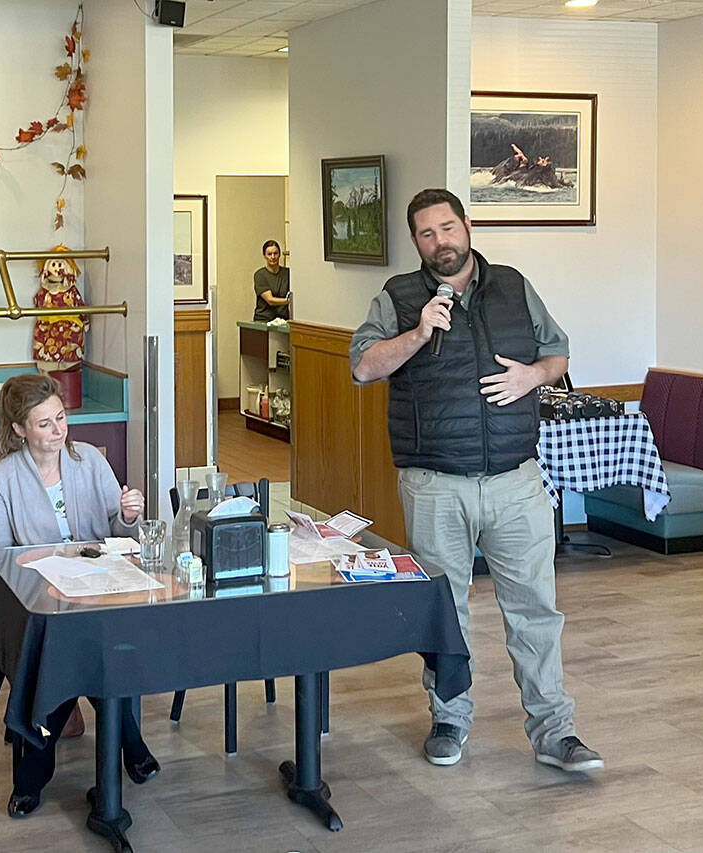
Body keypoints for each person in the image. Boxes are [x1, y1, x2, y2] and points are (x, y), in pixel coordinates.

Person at [349, 188, 603, 773]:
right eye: (426, 234)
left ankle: (555, 732)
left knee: (536, 609)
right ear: (416, 242)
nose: (441, 242)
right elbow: (364, 367)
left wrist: (533, 377)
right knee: (446, 609)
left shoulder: (512, 285)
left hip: (517, 481)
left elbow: (557, 352)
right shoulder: (399, 296)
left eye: (447, 228)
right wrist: (416, 333)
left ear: (466, 226)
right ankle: (449, 718)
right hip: (435, 483)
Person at [0, 373, 157, 818]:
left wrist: (128, 513)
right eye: (44, 424)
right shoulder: (1, 479)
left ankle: (31, 779)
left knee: (88, 658)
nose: (58, 430)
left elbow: (119, 534)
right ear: (20, 429)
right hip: (37, 601)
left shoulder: (90, 462)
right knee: (77, 663)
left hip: (96, 592)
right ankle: (131, 747)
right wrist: (57, 561)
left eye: (61, 418)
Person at [253, 239, 290, 322]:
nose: (273, 257)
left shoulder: (288, 273)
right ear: (264, 256)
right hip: (264, 320)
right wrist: (289, 301)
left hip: (283, 320)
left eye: (275, 253)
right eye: (269, 254)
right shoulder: (260, 275)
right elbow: (270, 300)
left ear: (279, 254)